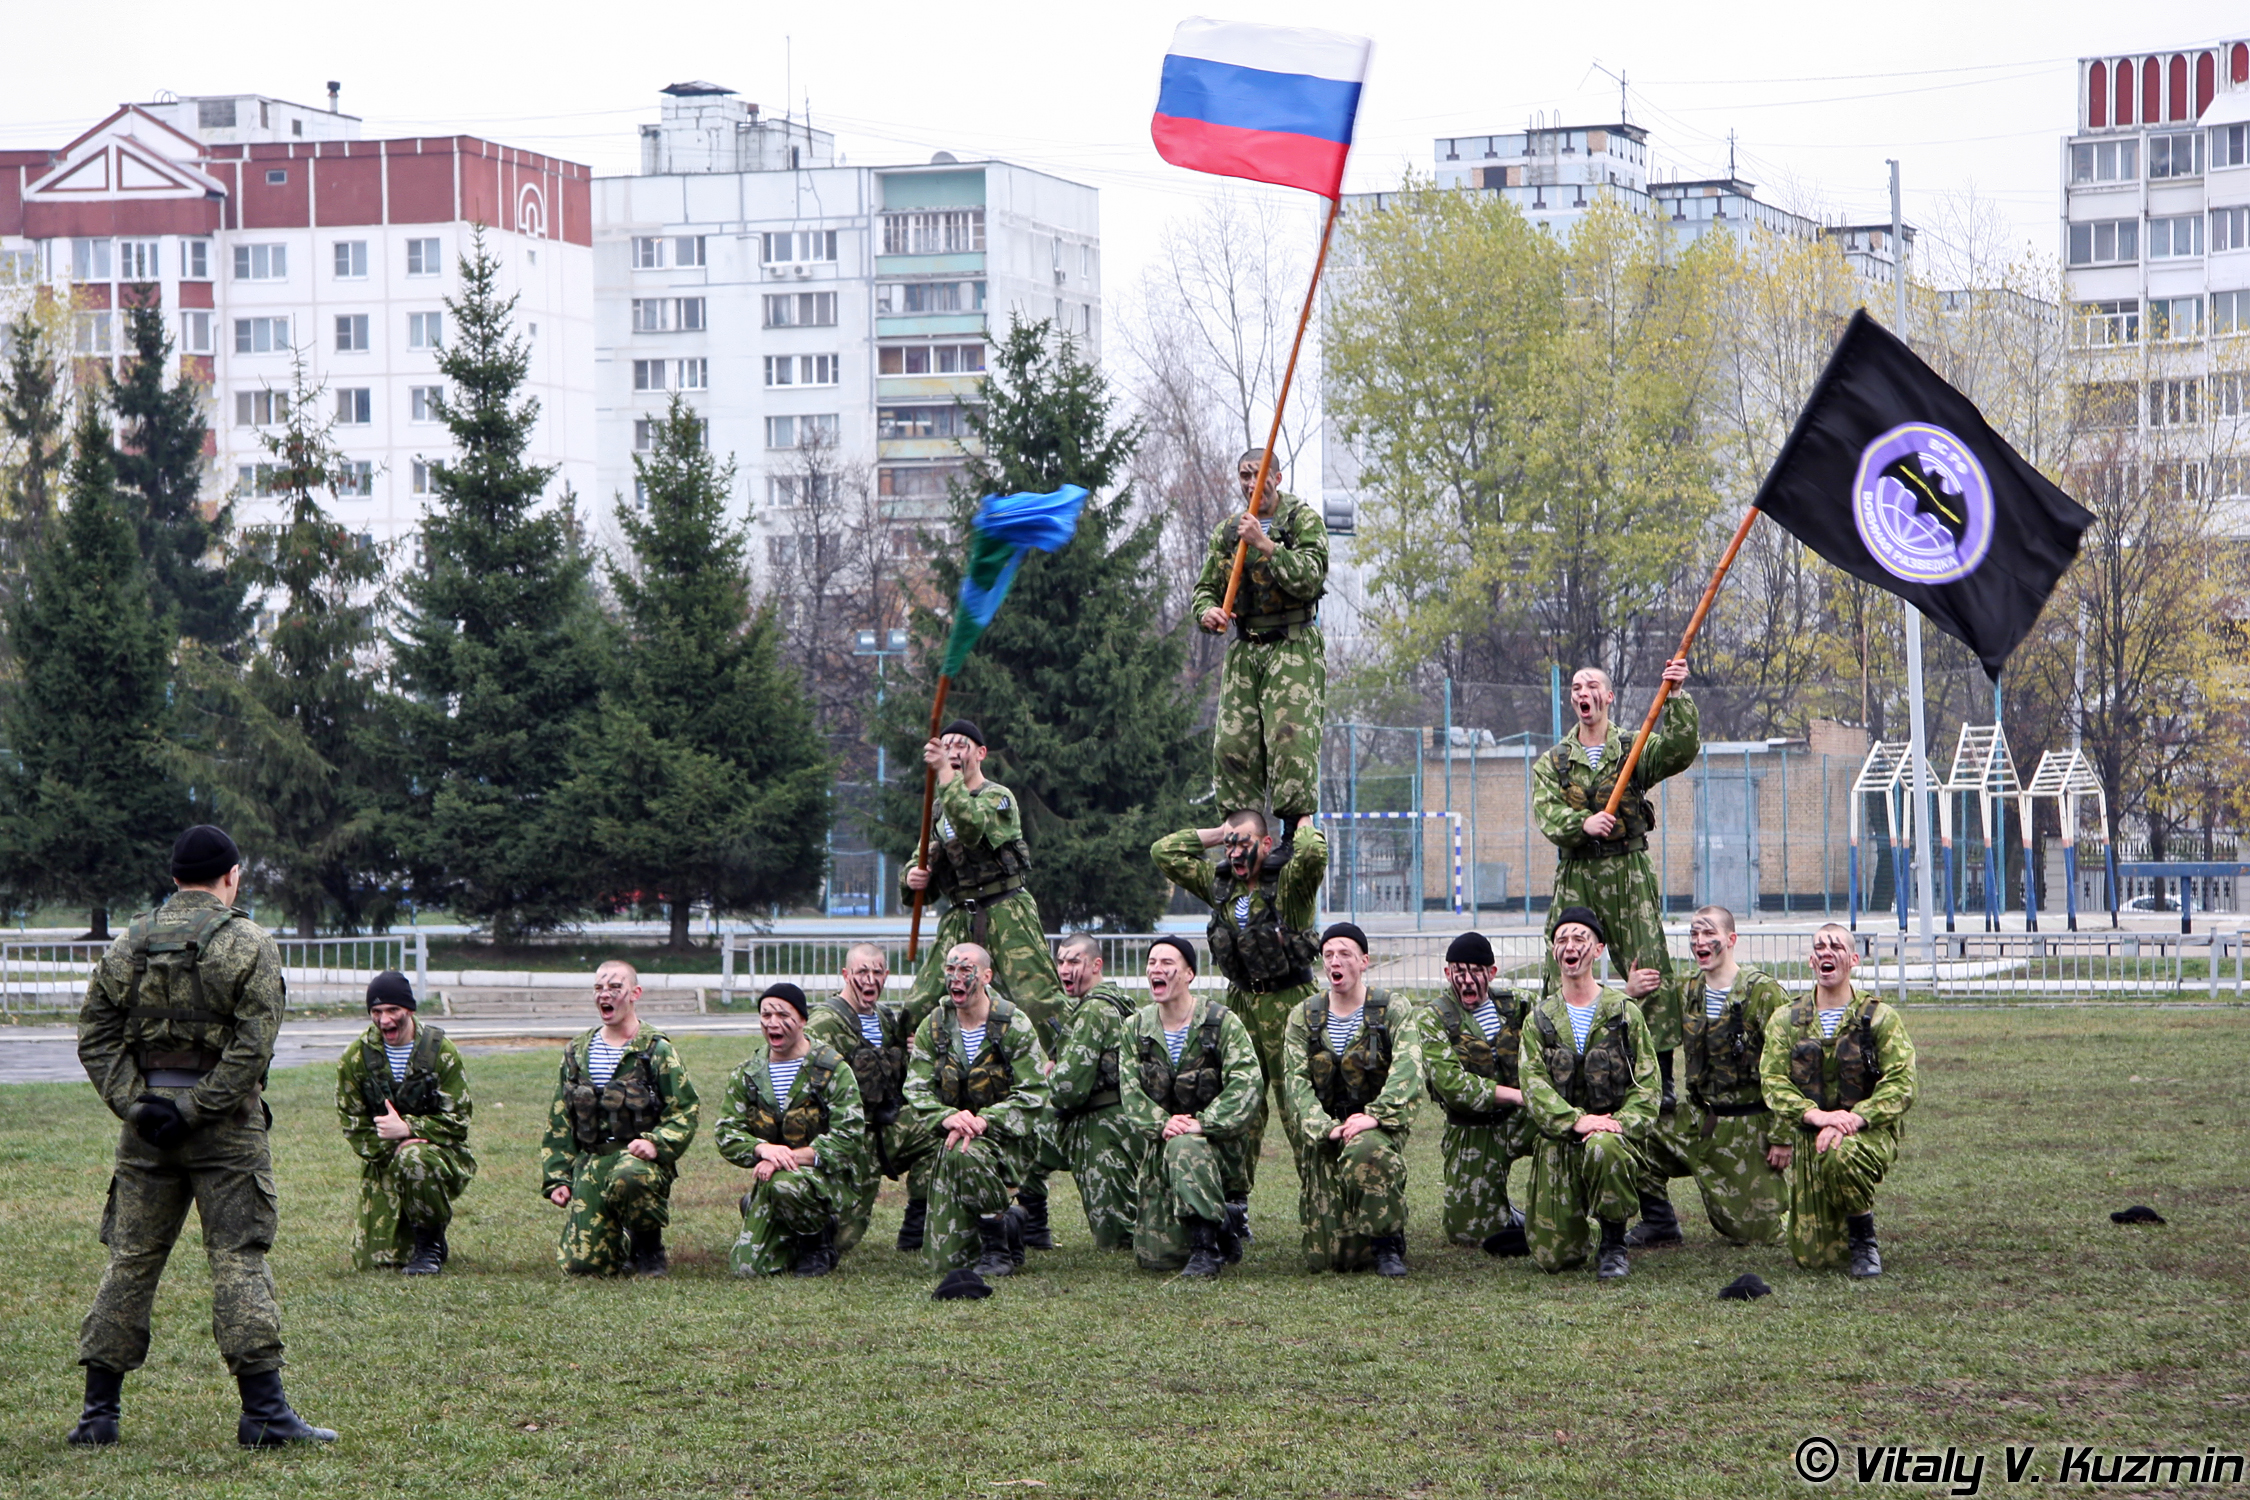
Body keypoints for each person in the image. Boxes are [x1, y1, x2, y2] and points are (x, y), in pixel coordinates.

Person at [70, 825, 335, 1448]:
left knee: (130, 1262)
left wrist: (139, 1105)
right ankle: (264, 1415)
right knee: (237, 1258)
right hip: (226, 1128)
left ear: (174, 878)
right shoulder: (248, 943)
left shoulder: (126, 945)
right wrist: (197, 1109)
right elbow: (252, 1045)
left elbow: (95, 1036)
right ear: (232, 875)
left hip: (146, 1131)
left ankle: (97, 1416)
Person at [1532, 660, 1699, 1117]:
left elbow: (1680, 752)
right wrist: (1582, 823)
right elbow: (1546, 814)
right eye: (1575, 688)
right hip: (1577, 873)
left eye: (1591, 687)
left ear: (1607, 698)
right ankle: (1556, 1068)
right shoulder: (1554, 762)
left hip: (1627, 869)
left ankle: (1659, 1077)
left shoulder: (1634, 746)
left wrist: (1677, 697)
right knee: (1560, 964)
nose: (1581, 693)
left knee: (1650, 967)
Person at [1149, 810, 1329, 1184]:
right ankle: (1233, 1200)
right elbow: (1164, 852)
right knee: (1238, 1102)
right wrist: (1222, 832)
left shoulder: (1288, 885)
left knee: (1298, 1101)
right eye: (1230, 846)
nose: (1234, 853)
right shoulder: (1221, 887)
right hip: (1242, 1004)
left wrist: (1302, 822)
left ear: (1265, 844)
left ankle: (1319, 1192)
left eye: (1243, 843)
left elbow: (1312, 855)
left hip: (1289, 1003)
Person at [900, 719, 1068, 1052]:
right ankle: (917, 1072)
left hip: (1006, 910)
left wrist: (945, 776)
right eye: (946, 746)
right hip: (960, 913)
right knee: (921, 1001)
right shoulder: (938, 810)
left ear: (981, 753)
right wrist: (911, 876)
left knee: (1036, 999)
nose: (953, 752)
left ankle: (1063, 1065)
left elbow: (972, 827)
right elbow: (921, 856)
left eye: (961, 745)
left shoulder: (998, 798)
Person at [1760, 925, 1918, 1277]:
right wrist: (1815, 1116)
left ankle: (1864, 1238)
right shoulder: (1787, 1020)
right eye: (1819, 948)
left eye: (1836, 947)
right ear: (1811, 961)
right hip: (1811, 1133)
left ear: (1854, 960)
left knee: (1840, 1153)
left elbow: (1903, 1082)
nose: (1826, 953)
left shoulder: (1879, 1018)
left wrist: (1858, 1118)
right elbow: (1772, 1082)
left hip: (1866, 1132)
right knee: (1815, 1259)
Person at [1630, 906, 1791, 1249]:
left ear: (1731, 940)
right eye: (1694, 934)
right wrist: (1629, 993)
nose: (1699, 941)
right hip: (1700, 1118)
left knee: (1756, 1234)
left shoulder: (1763, 993)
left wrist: (1783, 1134)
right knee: (1633, 1137)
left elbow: (1791, 1065)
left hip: (1748, 1125)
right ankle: (1658, 1221)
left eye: (1708, 934)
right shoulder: (1687, 991)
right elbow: (1629, 1024)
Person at [1194, 450, 1328, 852]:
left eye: (1258, 475)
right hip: (1244, 649)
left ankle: (1291, 833)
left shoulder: (1303, 521)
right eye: (1243, 476)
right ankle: (1241, 836)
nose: (1251, 484)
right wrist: (1208, 612)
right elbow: (1205, 589)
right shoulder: (1228, 531)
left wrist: (1266, 544)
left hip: (1291, 646)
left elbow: (1310, 578)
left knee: (1290, 741)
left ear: (1277, 477)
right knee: (1232, 746)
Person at [1517, 907, 1661, 1281]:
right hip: (1560, 1141)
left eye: (1580, 938)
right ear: (1554, 953)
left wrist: (1615, 1124)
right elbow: (1532, 1085)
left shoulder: (1624, 1013)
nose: (1571, 946)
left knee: (1604, 1147)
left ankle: (1614, 1245)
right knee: (1555, 1258)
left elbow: (1648, 1086)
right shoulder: (1540, 1018)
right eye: (1562, 939)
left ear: (1597, 950)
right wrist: (1577, 1121)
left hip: (1611, 1137)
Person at [1280, 923, 1425, 1276]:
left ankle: (1387, 1243)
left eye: (1344, 953)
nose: (1335, 961)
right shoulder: (1304, 1015)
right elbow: (1294, 1084)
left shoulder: (1391, 1008)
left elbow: (1409, 1068)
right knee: (1330, 1259)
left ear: (1364, 961)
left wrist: (1374, 1117)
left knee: (1367, 1150)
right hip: (1327, 1131)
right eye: (1328, 955)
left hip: (1376, 1127)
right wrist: (1325, 1128)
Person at [540, 960, 700, 1277]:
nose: (605, 995)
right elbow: (560, 1117)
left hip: (639, 1162)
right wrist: (557, 1175)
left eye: (615, 987)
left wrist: (656, 1144)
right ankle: (619, 1241)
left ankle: (649, 1249)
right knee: (581, 1267)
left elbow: (685, 1109)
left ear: (634, 993)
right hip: (593, 1163)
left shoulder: (655, 1049)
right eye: (599, 988)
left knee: (630, 1175)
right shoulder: (577, 1051)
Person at [901, 942, 1052, 1276]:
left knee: (967, 1152)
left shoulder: (1013, 1023)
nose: (956, 978)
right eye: (950, 970)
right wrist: (947, 1117)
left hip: (1008, 1141)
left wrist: (984, 1122)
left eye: (966, 970)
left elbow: (1034, 1093)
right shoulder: (934, 1026)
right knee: (942, 1262)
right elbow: (915, 1088)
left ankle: (997, 1246)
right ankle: (1010, 1222)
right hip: (950, 1141)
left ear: (986, 976)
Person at [1120, 937, 1264, 1277]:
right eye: (1152, 962)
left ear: (1189, 974)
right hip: (1162, 1149)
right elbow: (1130, 1092)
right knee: (1156, 1258)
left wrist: (1203, 1124)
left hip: (1218, 1149)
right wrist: (1162, 1124)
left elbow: (1248, 1083)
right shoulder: (1135, 1029)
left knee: (1186, 1144)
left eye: (1167, 963)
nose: (1157, 969)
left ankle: (1206, 1249)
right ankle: (1224, 1221)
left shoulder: (1221, 1023)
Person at [715, 984, 869, 1277]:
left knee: (784, 1184)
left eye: (783, 1015)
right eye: (766, 1015)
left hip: (826, 1181)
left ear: (802, 1020)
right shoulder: (749, 1073)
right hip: (773, 1178)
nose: (773, 1023)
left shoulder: (830, 1068)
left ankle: (819, 1239)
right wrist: (763, 1149)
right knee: (748, 1269)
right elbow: (726, 1132)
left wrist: (789, 1158)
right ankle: (773, 1214)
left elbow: (849, 1134)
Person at [334, 970, 475, 1275]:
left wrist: (411, 1131)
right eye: (377, 1012)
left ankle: (430, 1246)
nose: (385, 1020)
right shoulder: (355, 1058)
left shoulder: (441, 1053)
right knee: (377, 1262)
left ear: (409, 1010)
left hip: (439, 1156)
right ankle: (427, 1229)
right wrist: (393, 1150)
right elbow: (353, 1124)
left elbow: (459, 1120)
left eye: (393, 1011)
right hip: (383, 1157)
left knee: (416, 1158)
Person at [804, 943, 936, 1255]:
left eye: (877, 971)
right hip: (846, 1138)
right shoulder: (825, 1023)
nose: (870, 978)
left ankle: (916, 1227)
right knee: (842, 1239)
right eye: (862, 971)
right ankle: (776, 1208)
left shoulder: (887, 1019)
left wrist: (920, 1052)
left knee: (936, 1130)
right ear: (846, 974)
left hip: (884, 1129)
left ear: (886, 975)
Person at [1419, 931, 1534, 1254]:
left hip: (1524, 1119)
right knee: (1467, 1232)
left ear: (1492, 973)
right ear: (1447, 974)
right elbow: (1452, 1085)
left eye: (1475, 972)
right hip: (1471, 1127)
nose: (1467, 981)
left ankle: (1558, 1213)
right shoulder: (1433, 1017)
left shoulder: (1520, 1005)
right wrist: (1517, 1095)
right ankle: (1509, 1216)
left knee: (1563, 1136)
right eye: (1459, 972)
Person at [1042, 933, 1142, 1251]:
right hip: (1121, 1120)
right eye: (1060, 961)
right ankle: (1031, 1230)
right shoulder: (1117, 1003)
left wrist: (1052, 1075)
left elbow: (1069, 1089)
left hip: (1102, 1127)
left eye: (1074, 961)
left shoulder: (1093, 1011)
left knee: (1116, 1239)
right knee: (1028, 1141)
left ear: (1096, 965)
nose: (1065, 969)